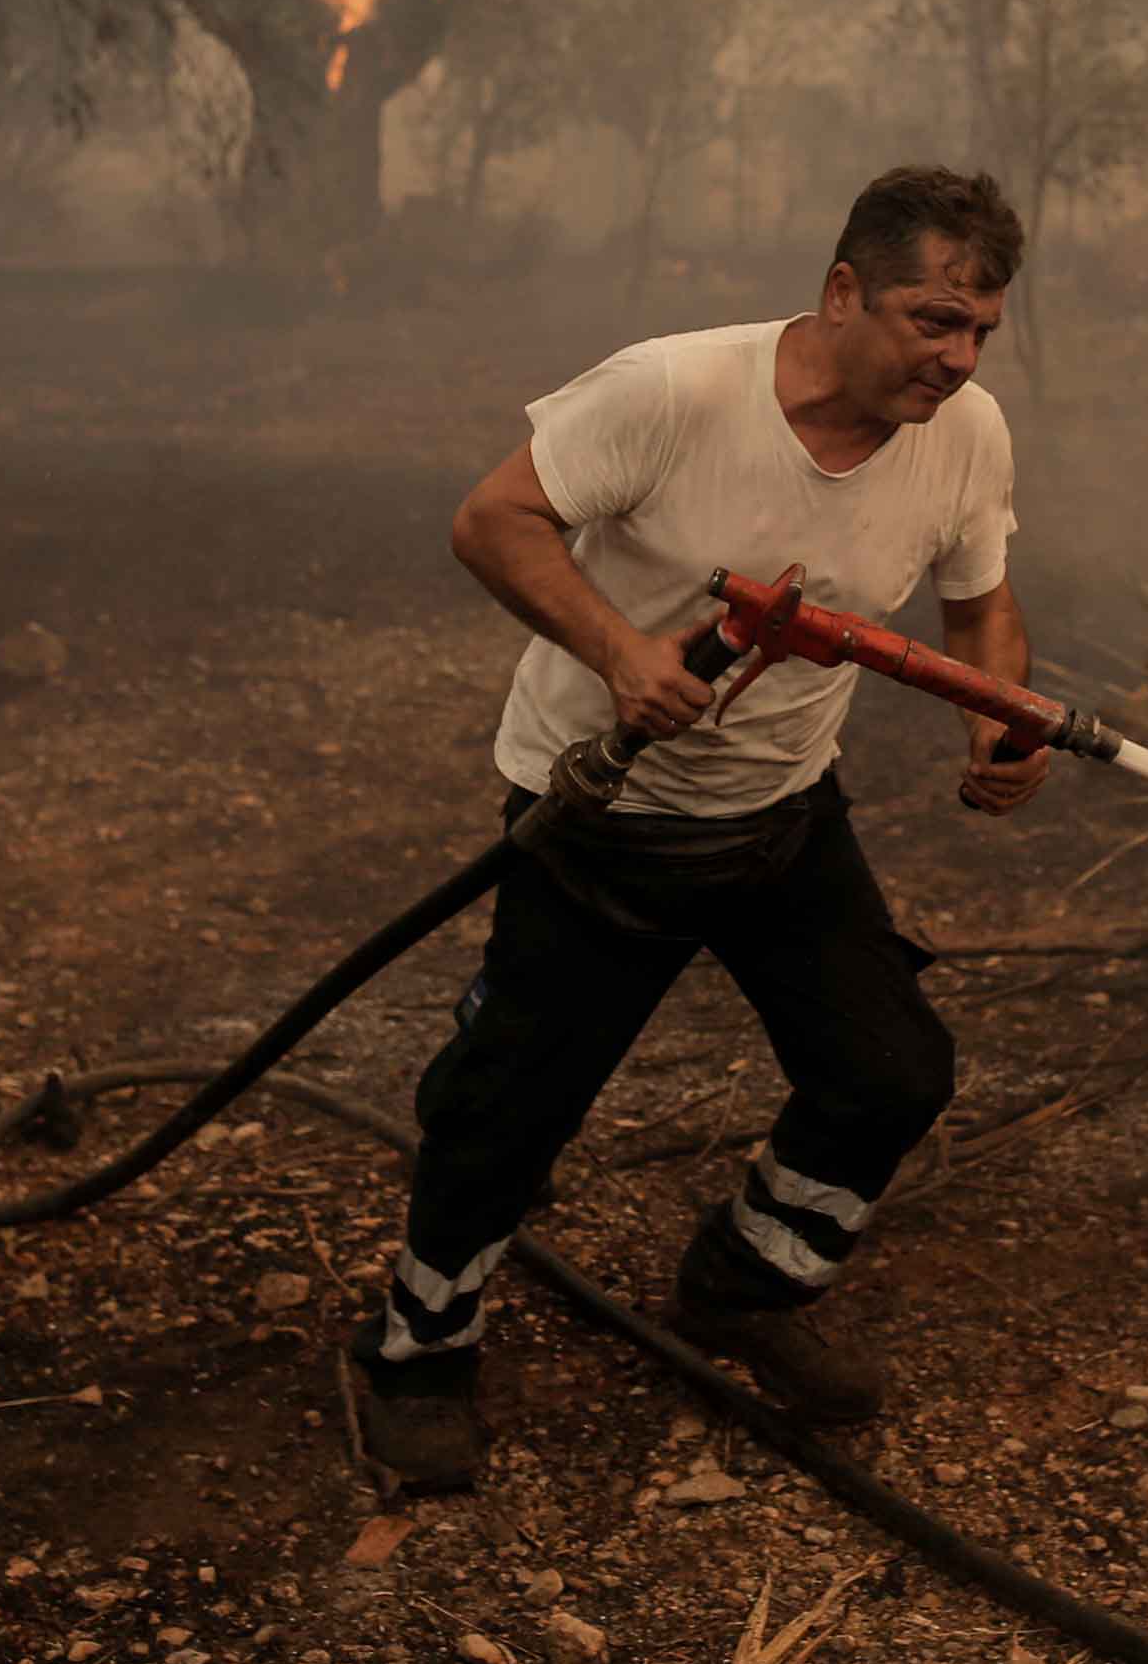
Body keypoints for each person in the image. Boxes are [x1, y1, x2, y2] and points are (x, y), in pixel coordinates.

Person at [348, 166, 1048, 1494]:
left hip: (782, 815)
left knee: (891, 1070)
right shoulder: (674, 391)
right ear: (841, 290)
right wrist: (620, 654)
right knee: (506, 1111)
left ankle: (741, 1283)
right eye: (930, 321)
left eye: (978, 334)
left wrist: (999, 715)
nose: (955, 360)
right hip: (603, 816)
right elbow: (491, 518)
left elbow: (981, 604)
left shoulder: (965, 434)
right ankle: (415, 1348)